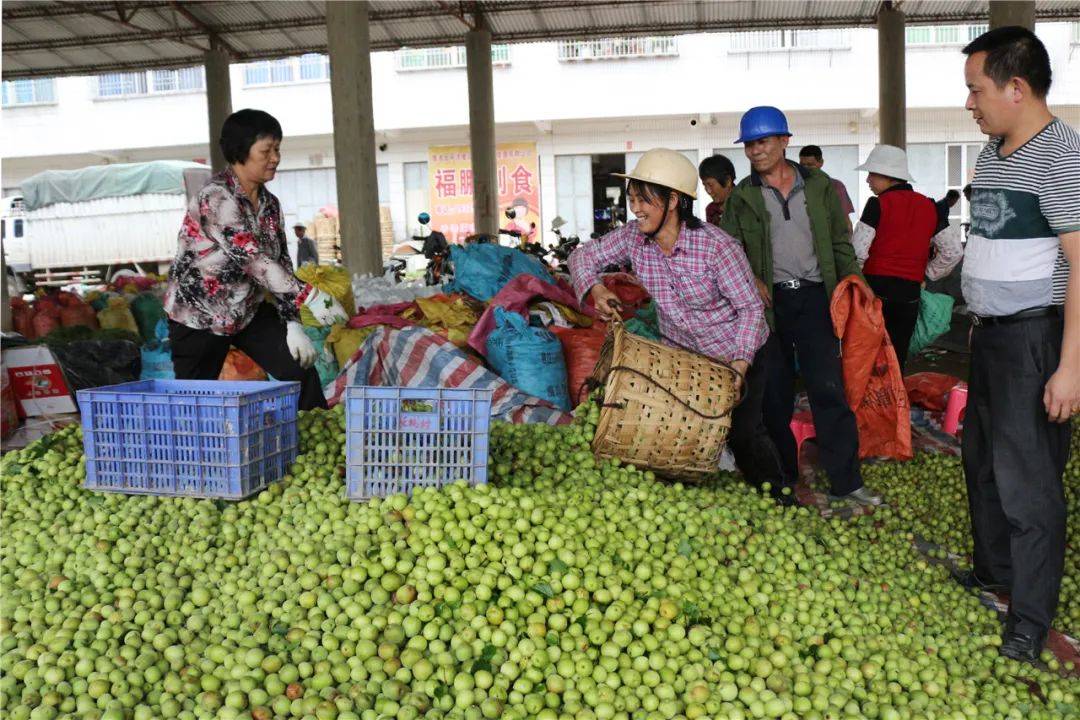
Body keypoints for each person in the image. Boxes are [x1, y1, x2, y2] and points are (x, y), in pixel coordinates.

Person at [955, 26, 1079, 664]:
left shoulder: (1062, 154)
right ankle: (991, 571)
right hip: (989, 337)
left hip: (1035, 338)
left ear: (1017, 87)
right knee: (981, 462)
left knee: (1029, 484)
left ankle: (1029, 620)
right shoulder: (996, 154)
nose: (970, 103)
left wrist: (1070, 368)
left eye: (976, 90)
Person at [568, 149, 791, 503]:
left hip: (739, 350)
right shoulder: (633, 239)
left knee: (746, 431)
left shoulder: (717, 248)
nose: (636, 208)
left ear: (673, 201)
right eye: (632, 199)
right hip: (687, 357)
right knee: (680, 429)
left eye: (644, 199)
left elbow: (750, 309)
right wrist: (595, 287)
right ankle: (695, 498)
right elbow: (582, 256)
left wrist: (739, 367)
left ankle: (780, 499)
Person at [721, 106, 882, 507]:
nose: (756, 151)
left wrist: (856, 282)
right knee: (773, 397)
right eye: (750, 145)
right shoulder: (742, 196)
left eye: (763, 142)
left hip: (813, 297)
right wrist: (750, 279)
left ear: (783, 141)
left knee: (829, 390)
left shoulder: (818, 185)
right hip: (769, 305)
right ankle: (784, 482)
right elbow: (728, 250)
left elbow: (840, 242)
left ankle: (846, 482)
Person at [163, 109, 347, 411]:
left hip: (246, 311)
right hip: (199, 316)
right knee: (193, 402)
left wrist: (292, 322)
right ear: (240, 152)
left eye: (277, 149)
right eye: (266, 150)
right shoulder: (216, 198)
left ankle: (316, 435)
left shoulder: (269, 205)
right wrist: (309, 295)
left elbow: (281, 261)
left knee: (299, 369)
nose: (275, 157)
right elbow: (254, 259)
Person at [851, 144, 963, 370]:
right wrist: (925, 274)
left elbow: (857, 252)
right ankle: (896, 402)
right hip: (910, 293)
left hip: (874, 291)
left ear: (888, 176)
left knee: (869, 355)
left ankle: (869, 402)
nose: (868, 180)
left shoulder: (877, 204)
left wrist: (857, 285)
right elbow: (953, 251)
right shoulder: (929, 207)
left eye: (872, 174)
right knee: (897, 355)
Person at [799, 145, 855, 232]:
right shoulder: (796, 186)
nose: (806, 168)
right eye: (802, 165)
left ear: (821, 162)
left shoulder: (836, 186)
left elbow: (845, 221)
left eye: (810, 165)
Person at [698, 154, 737, 226]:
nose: (708, 191)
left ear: (727, 181)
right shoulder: (711, 210)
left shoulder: (745, 203)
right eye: (704, 185)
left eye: (710, 185)